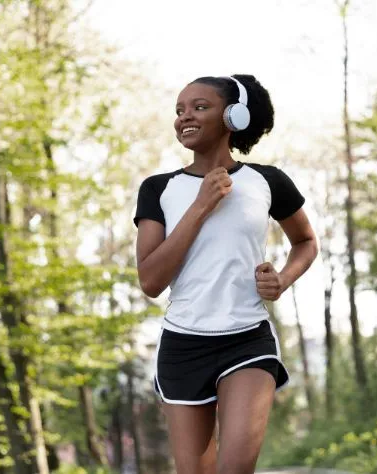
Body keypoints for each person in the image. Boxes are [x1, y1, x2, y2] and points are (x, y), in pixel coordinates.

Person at [133, 74, 318, 474]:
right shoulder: (158, 189)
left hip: (247, 339)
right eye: (180, 110)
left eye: (200, 107)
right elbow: (150, 280)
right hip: (183, 345)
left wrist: (283, 279)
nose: (186, 117)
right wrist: (200, 206)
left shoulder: (267, 181)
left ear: (233, 116)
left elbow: (306, 242)